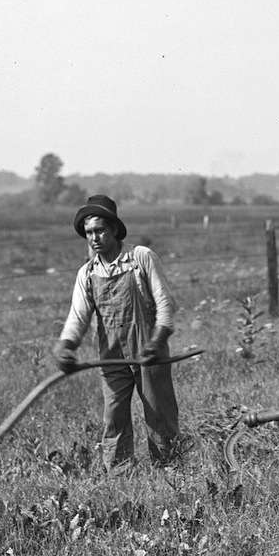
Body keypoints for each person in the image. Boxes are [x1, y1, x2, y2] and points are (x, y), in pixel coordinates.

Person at [52, 195, 182, 470]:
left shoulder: (140, 258)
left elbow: (166, 304)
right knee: (114, 418)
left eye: (100, 230)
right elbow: (78, 316)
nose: (94, 238)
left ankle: (170, 473)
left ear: (113, 229)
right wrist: (66, 345)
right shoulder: (87, 273)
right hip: (111, 355)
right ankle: (120, 476)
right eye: (89, 233)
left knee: (159, 415)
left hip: (149, 350)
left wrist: (157, 341)